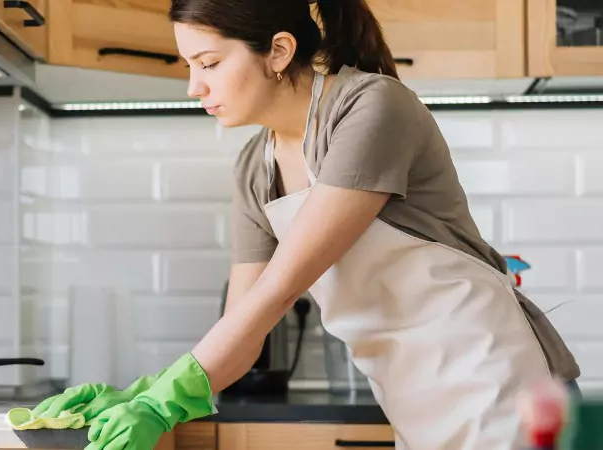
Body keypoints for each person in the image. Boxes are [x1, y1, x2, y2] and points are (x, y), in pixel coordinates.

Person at [29, 0, 581, 448]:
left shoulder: (370, 108)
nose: (193, 87)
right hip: (410, 399)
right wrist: (140, 394)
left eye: (210, 63)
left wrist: (164, 397)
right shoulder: (255, 167)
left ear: (278, 51)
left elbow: (277, 290)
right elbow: (245, 325)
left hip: (500, 384)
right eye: (188, 66)